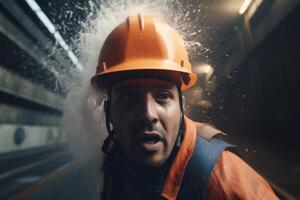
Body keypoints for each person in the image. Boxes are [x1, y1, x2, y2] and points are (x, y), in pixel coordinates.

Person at [90, 13, 278, 200]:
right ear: (109, 112)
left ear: (181, 107)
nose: (148, 114)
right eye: (129, 99)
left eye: (163, 96)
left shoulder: (226, 183)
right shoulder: (113, 159)